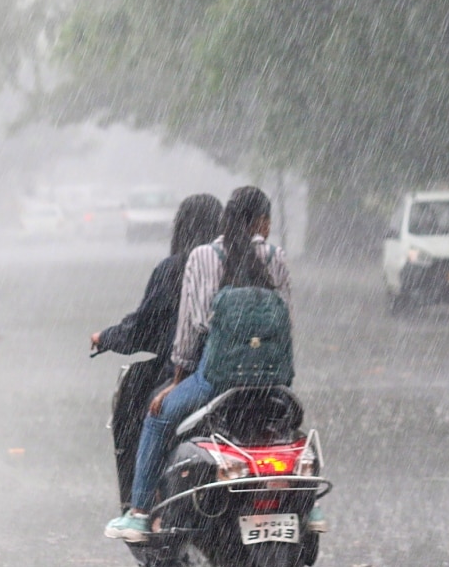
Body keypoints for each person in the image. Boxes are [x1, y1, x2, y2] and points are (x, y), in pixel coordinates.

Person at [105, 186, 325, 541]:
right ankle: (309, 505)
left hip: (216, 376)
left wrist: (178, 378)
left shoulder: (204, 257)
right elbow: (287, 320)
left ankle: (141, 511)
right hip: (269, 379)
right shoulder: (275, 256)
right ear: (263, 222)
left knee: (158, 418)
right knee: (288, 428)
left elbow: (191, 327)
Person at [91, 194, 223, 510]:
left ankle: (144, 506)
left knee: (146, 413)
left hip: (188, 373)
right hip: (236, 372)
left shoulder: (175, 269)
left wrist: (106, 337)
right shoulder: (234, 268)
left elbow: (144, 330)